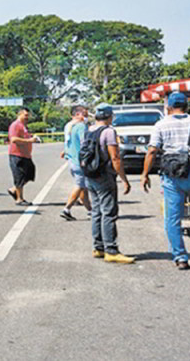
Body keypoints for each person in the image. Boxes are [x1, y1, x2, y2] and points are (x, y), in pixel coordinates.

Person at [141, 92, 190, 269]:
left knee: (173, 217)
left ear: (169, 106)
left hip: (173, 174)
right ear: (186, 106)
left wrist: (145, 173)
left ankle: (180, 257)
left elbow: (152, 151)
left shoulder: (160, 125)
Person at [86, 104, 134, 264]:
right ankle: (111, 250)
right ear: (110, 116)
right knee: (109, 213)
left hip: (90, 175)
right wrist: (124, 179)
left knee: (97, 211)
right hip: (104, 176)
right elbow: (115, 158)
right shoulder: (108, 132)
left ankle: (98, 247)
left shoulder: (89, 130)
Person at [60, 106, 91, 220]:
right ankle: (67, 209)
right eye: (85, 115)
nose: (87, 117)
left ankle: (91, 211)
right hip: (79, 161)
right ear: (78, 114)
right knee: (79, 186)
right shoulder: (81, 127)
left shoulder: (70, 126)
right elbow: (84, 144)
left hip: (72, 160)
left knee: (83, 187)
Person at [7, 108, 40, 206]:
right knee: (19, 176)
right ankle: (19, 199)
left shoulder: (23, 126)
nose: (27, 117)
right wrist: (30, 141)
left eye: (28, 115)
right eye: (25, 115)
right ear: (19, 114)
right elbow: (13, 139)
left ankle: (14, 190)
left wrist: (32, 139)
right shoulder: (15, 125)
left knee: (29, 174)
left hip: (26, 155)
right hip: (17, 154)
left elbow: (24, 138)